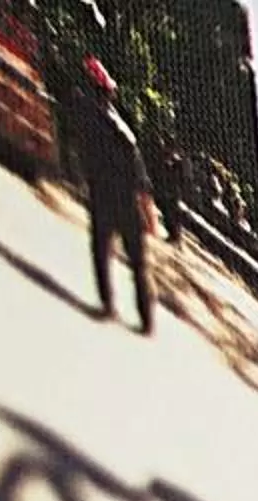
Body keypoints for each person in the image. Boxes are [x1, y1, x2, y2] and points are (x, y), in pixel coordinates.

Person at [77, 57, 156, 335]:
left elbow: (89, 158)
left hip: (106, 196)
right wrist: (145, 204)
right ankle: (146, 320)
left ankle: (110, 304)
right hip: (123, 198)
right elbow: (137, 168)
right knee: (137, 262)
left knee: (102, 249)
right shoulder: (117, 124)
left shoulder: (89, 119)